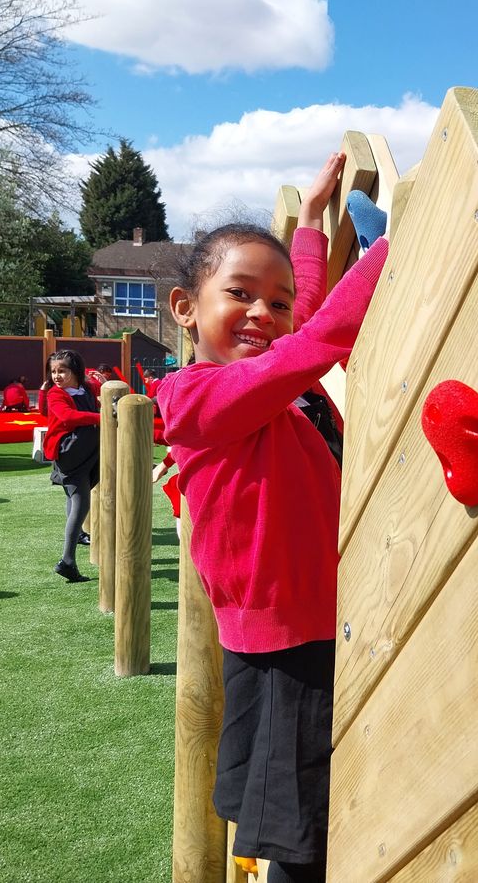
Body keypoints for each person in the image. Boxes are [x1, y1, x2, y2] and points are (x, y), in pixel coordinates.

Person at [156, 153, 388, 883]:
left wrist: (315, 221)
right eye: (240, 295)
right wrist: (396, 247)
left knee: (314, 817)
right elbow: (315, 342)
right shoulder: (195, 399)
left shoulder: (263, 386)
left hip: (321, 628)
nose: (263, 313)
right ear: (185, 308)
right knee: (298, 842)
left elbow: (304, 323)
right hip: (285, 649)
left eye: (276, 301)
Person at [41, 349, 100, 582]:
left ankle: (76, 538)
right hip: (70, 453)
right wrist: (101, 418)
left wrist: (105, 383)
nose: (56, 376)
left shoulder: (86, 389)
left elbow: (108, 393)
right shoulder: (56, 394)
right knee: (80, 502)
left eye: (61, 371)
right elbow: (67, 417)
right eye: (53, 371)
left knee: (73, 500)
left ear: (75, 371)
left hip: (87, 454)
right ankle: (67, 561)